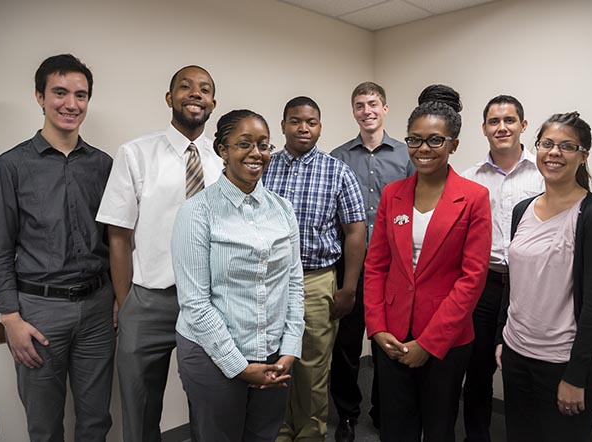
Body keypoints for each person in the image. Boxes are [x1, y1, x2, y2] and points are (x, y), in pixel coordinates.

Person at [0, 54, 114, 441]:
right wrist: (10, 318)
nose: (71, 104)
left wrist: (119, 299)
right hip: (39, 313)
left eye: (81, 95)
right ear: (40, 96)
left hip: (97, 310)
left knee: (96, 420)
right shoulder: (11, 165)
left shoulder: (103, 165)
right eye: (60, 93)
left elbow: (116, 240)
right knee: (44, 424)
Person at [96, 65, 223, 442]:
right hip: (150, 301)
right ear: (170, 98)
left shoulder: (222, 162)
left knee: (209, 406)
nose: (195, 94)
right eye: (185, 87)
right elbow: (118, 235)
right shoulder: (136, 153)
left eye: (204, 89)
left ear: (213, 103)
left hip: (210, 301)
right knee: (139, 409)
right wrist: (127, 301)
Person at [364, 85, 492, 442]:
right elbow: (376, 266)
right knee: (396, 428)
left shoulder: (474, 198)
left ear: (454, 144)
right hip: (392, 334)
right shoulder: (393, 194)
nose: (423, 148)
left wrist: (429, 343)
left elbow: (472, 278)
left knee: (438, 428)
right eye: (415, 139)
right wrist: (376, 328)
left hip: (446, 339)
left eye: (435, 140)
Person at [171, 109, 305, 441]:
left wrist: (289, 348)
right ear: (223, 150)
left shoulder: (282, 209)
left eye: (264, 145)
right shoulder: (197, 212)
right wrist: (240, 367)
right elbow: (195, 304)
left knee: (263, 435)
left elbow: (294, 283)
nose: (256, 153)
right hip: (212, 355)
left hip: (272, 353)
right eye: (244, 143)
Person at [496, 112, 592, 442]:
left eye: (567, 146)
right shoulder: (522, 210)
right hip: (517, 354)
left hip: (564, 364)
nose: (554, 152)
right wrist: (501, 337)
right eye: (547, 144)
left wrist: (576, 376)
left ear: (584, 156)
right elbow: (514, 281)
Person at [262, 96, 366, 442]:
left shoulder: (338, 171)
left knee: (311, 366)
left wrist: (348, 288)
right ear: (283, 126)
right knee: (272, 358)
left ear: (320, 127)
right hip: (269, 280)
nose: (303, 128)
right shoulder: (264, 166)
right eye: (295, 121)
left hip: (315, 279)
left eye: (311, 122)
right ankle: (279, 430)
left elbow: (355, 231)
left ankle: (309, 433)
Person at [329, 81, 415, 441]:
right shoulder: (337, 157)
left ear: (385, 109)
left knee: (388, 343)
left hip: (393, 266)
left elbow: (417, 206)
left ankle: (384, 410)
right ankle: (347, 413)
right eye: (360, 105)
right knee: (346, 346)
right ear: (354, 112)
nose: (367, 110)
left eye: (373, 104)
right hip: (349, 266)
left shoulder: (407, 155)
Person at [459, 95, 544, 442]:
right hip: (485, 285)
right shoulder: (469, 179)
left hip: (530, 289)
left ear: (523, 126)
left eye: (509, 120)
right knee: (477, 370)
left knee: (525, 372)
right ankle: (476, 436)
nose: (502, 127)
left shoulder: (544, 174)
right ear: (484, 129)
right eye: (494, 122)